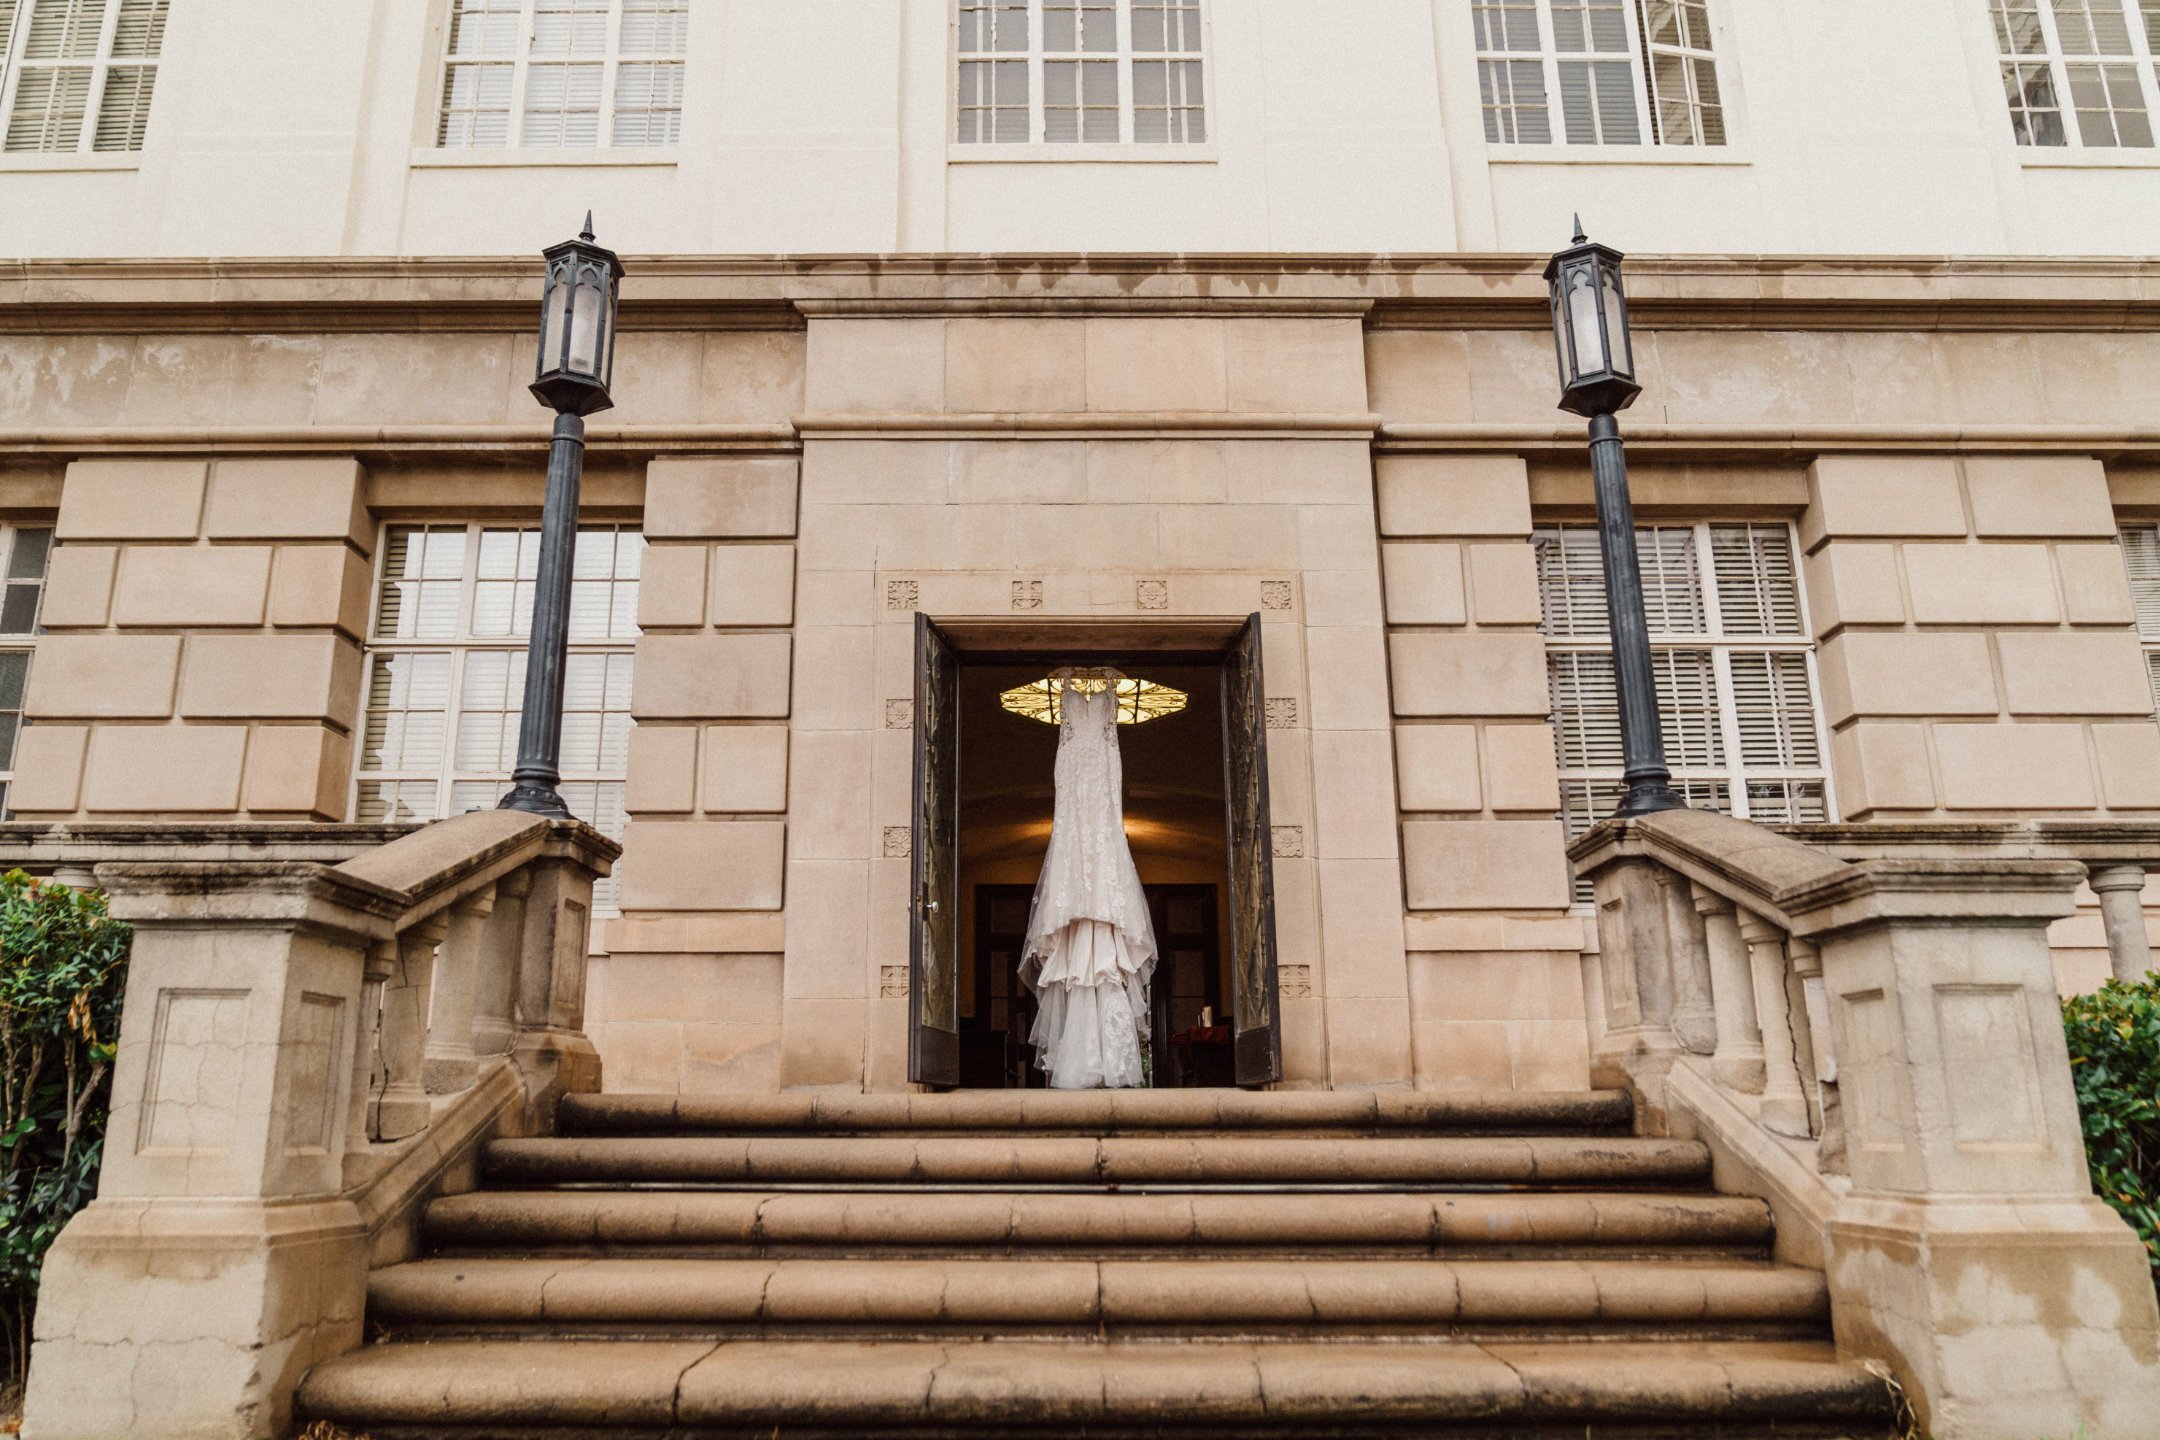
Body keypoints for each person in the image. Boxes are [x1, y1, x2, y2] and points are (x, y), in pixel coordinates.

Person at [1019, 668, 1158, 1089]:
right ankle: (1087, 1061)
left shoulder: (1109, 719)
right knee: (1087, 950)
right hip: (1075, 829)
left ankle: (1107, 1061)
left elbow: (1113, 785)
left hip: (1101, 827)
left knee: (1098, 952)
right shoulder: (1067, 718)